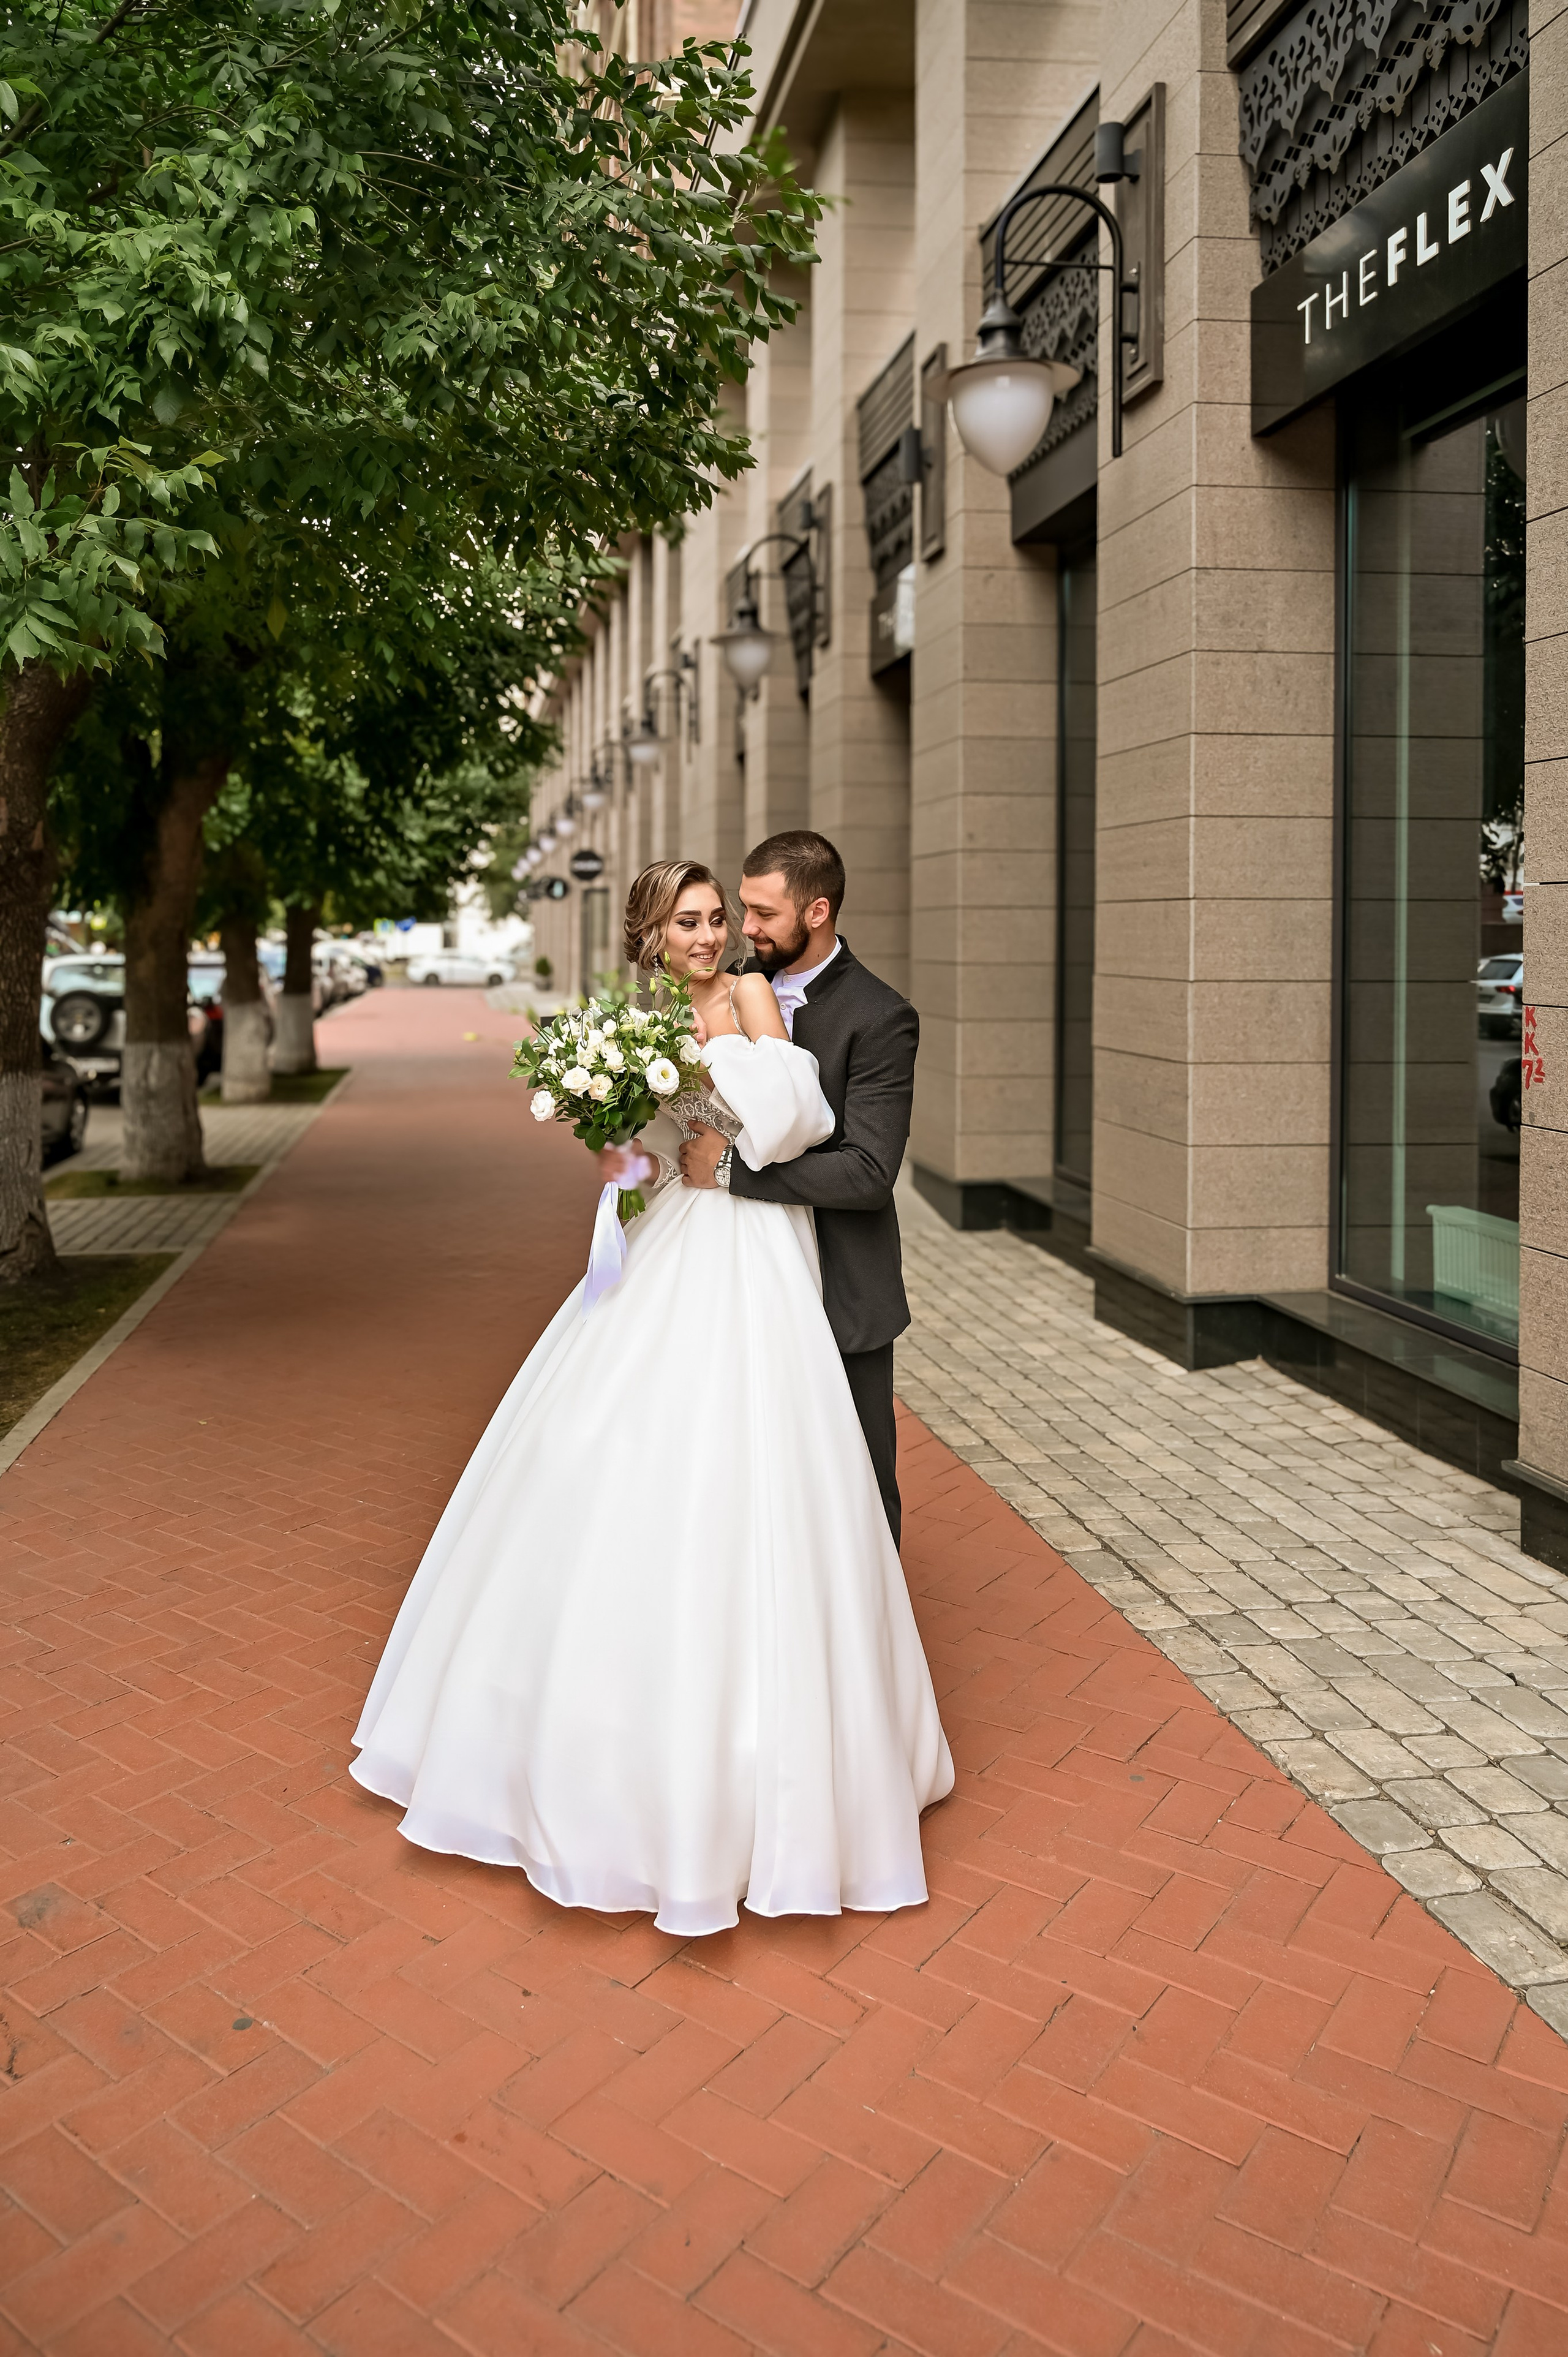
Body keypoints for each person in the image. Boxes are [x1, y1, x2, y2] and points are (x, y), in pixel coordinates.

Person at [351, 858, 953, 1936]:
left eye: (724, 914)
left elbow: (794, 1126)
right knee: (610, 1456)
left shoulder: (750, 997)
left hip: (758, 1242)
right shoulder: (637, 1017)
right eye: (693, 919)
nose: (714, 932)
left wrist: (718, 1070)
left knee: (774, 1467)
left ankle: (803, 1748)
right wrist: (618, 1130)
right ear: (653, 933)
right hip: (679, 1226)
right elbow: (642, 1154)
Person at [678, 831, 916, 1548]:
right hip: (738, 1280)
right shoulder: (725, 987)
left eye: (761, 914)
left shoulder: (879, 1016)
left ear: (816, 911)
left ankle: (871, 1638)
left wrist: (730, 1172)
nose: (743, 930)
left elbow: (869, 1173)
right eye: (739, 910)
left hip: (838, 1283)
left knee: (859, 1485)